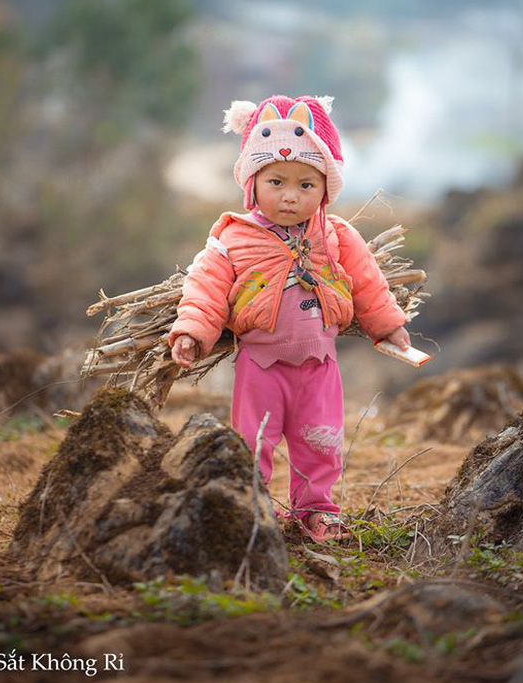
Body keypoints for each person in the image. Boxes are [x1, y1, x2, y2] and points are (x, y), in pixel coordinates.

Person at [168, 94, 411, 542]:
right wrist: (191, 333)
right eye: (276, 181)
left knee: (321, 441)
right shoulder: (233, 237)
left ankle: (316, 510)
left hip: (320, 365)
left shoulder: (336, 235)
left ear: (325, 190)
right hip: (260, 367)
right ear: (252, 182)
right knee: (253, 443)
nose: (290, 196)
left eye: (306, 185)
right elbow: (204, 289)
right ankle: (251, 508)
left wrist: (389, 326)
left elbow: (368, 284)